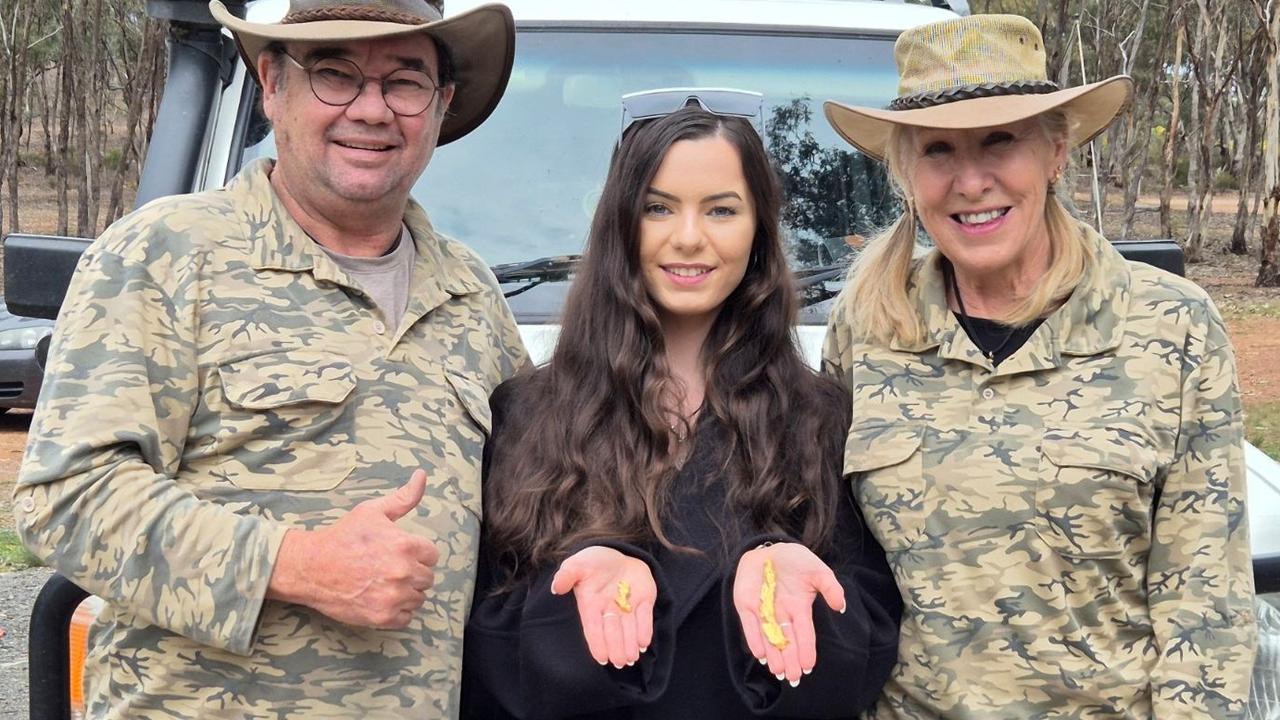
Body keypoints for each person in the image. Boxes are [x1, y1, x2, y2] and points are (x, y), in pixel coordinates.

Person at [12, 0, 526, 716]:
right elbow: (65, 499)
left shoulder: (473, 297)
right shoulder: (164, 255)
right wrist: (298, 566)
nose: (372, 110)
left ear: (440, 105)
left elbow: (537, 503)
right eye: (336, 75)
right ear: (271, 84)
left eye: (404, 82)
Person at [821, 13, 1257, 719]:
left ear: (1057, 151)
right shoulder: (866, 329)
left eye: (1001, 141)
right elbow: (831, 551)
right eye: (937, 150)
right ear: (906, 171)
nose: (970, 180)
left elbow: (1204, 605)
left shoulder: (1169, 325)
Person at [460, 92, 902, 719]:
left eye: (721, 210)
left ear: (759, 231)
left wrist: (792, 580)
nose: (689, 238)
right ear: (620, 225)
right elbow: (481, 633)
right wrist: (575, 594)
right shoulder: (528, 413)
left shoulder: (823, 418)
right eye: (658, 208)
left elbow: (870, 629)